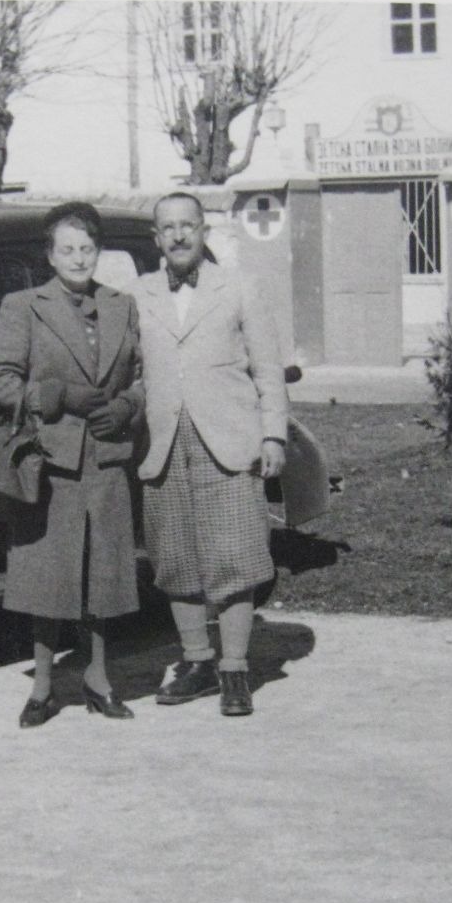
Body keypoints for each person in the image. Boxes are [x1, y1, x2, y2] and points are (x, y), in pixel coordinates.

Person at [0, 202, 144, 728]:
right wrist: (52, 395)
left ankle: (99, 680)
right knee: (49, 577)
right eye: (67, 249)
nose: (78, 258)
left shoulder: (123, 306)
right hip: (50, 464)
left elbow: (144, 378)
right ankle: (44, 687)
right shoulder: (24, 306)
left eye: (88, 248)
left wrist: (127, 407)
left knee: (104, 575)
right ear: (49, 255)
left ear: (99, 252)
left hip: (108, 459)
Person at [129, 192, 288, 717]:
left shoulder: (238, 287)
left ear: (204, 231)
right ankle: (196, 662)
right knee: (175, 559)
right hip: (163, 443)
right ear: (156, 238)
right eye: (167, 228)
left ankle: (235, 669)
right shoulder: (137, 295)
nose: (178, 236)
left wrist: (273, 437)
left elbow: (268, 371)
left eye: (187, 226)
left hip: (229, 438)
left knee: (235, 557)